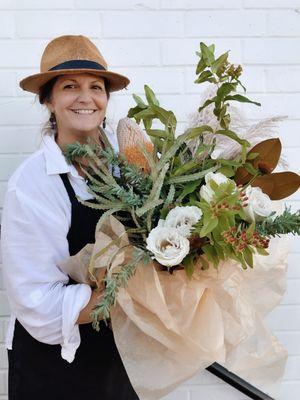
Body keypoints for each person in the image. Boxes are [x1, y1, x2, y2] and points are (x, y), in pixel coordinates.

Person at [0, 34, 139, 400]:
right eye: (70, 86)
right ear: (48, 100)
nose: (85, 97)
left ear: (106, 100)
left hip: (120, 356)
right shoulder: (31, 184)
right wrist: (135, 295)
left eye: (96, 86)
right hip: (54, 367)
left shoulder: (129, 171)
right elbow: (37, 303)